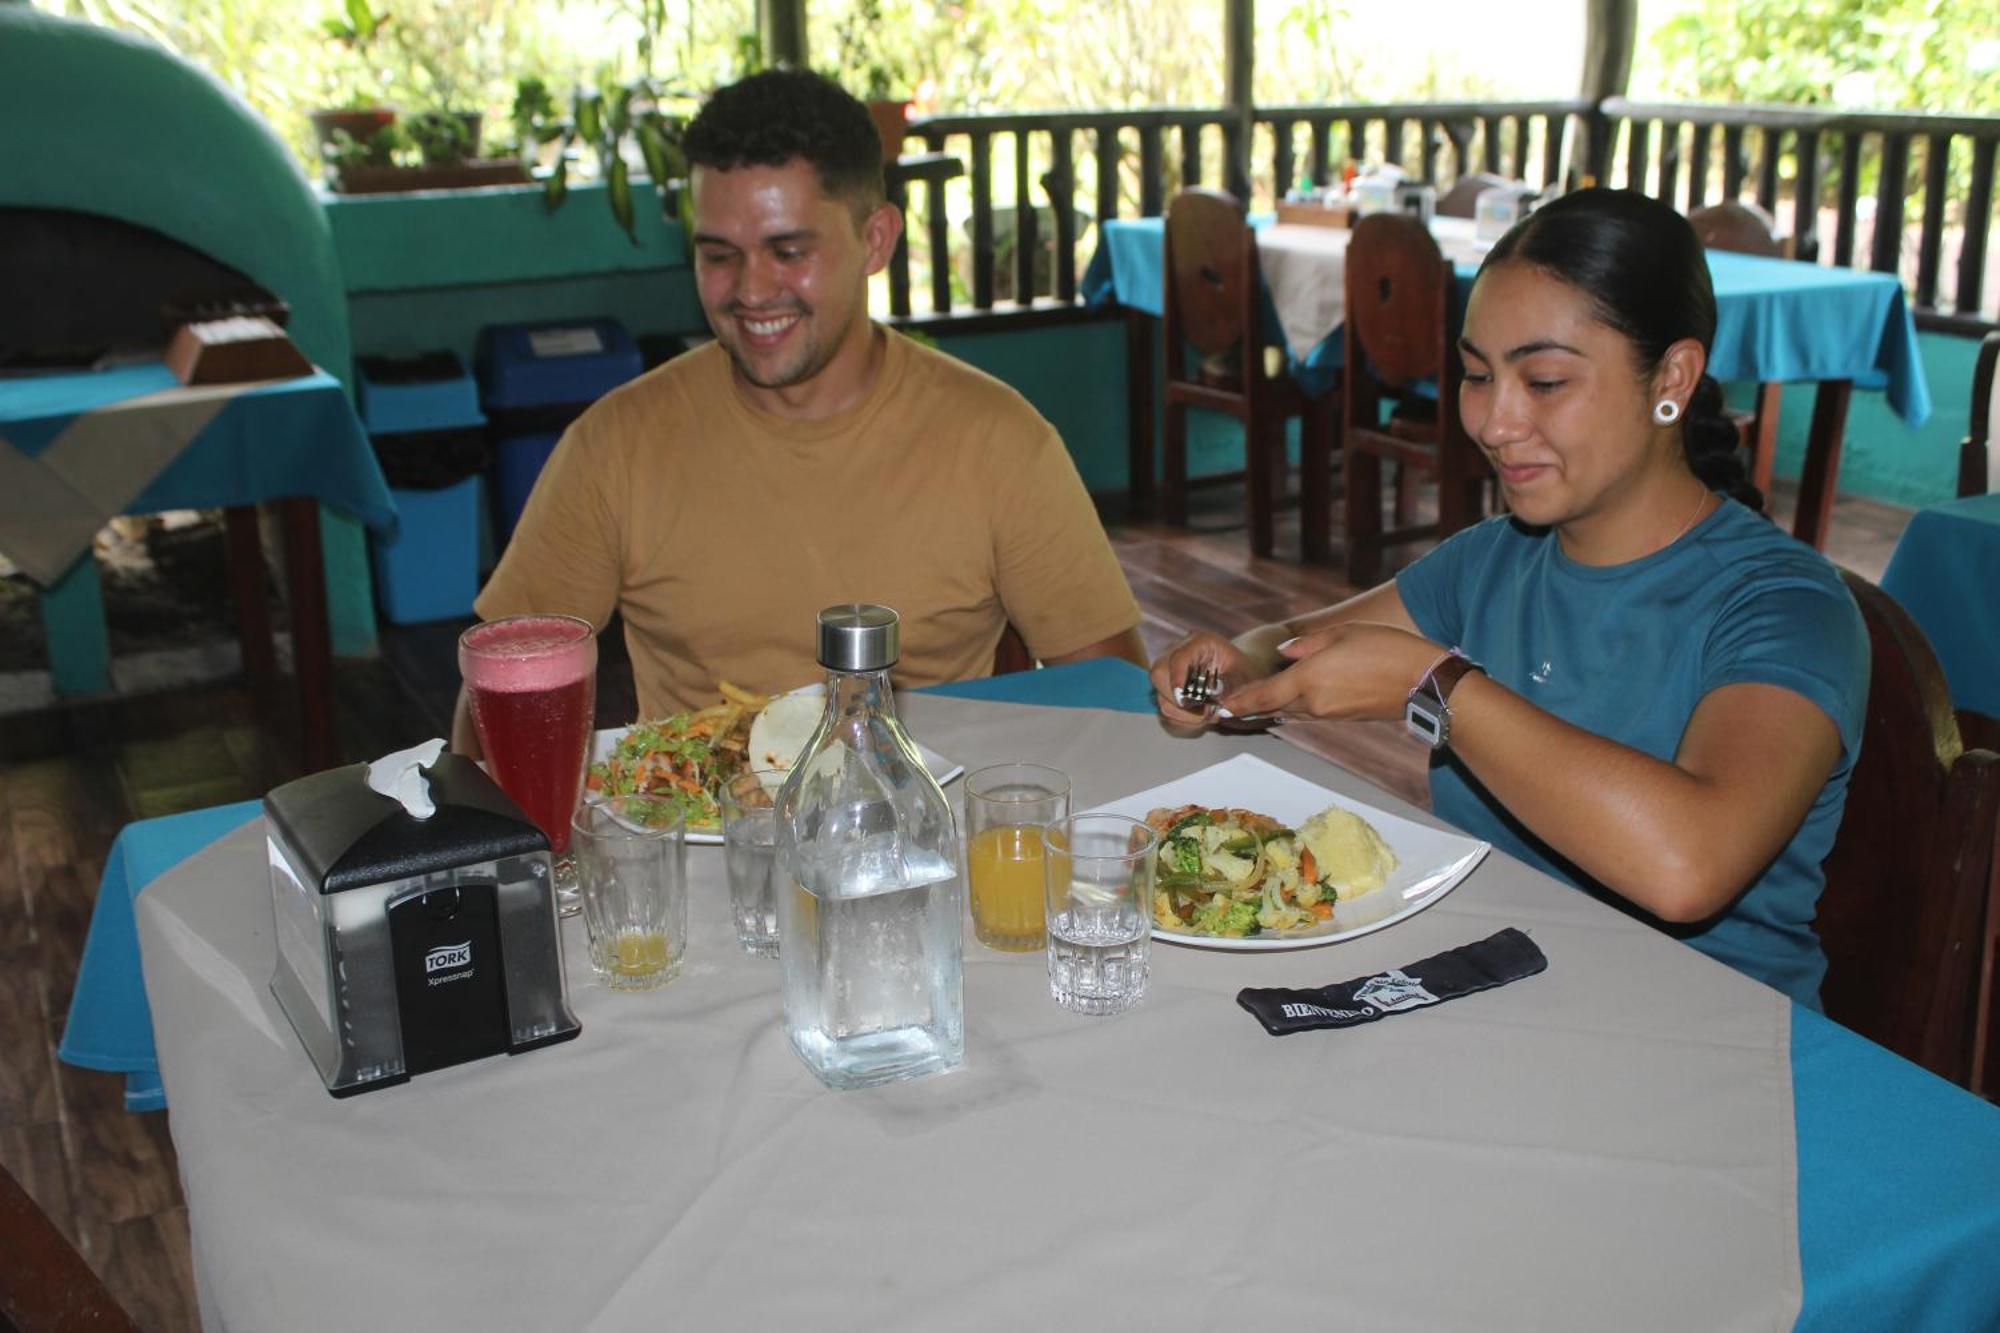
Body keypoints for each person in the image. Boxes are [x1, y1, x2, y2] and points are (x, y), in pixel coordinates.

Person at [1150, 189, 1869, 1008]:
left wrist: (1438, 688)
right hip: (1496, 988)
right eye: (1476, 375)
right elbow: (1289, 640)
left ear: (1672, 376)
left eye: (1546, 380)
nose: (1493, 422)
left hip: (1711, 1031)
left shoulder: (1787, 605)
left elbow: (1687, 867)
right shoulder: (1497, 560)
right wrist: (1233, 664)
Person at [456, 69, 1142, 746]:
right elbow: (492, 709)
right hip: (692, 834)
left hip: (921, 834)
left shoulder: (1000, 442)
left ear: (875, 241)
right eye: (720, 255)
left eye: (788, 251)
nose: (751, 290)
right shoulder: (613, 445)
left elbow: (1117, 703)